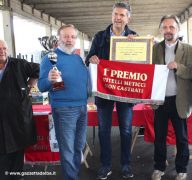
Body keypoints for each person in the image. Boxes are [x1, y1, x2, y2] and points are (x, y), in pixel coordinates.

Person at [85, 2, 137, 180]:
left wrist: (137, 46)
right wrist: (91, 58)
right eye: (115, 14)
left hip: (125, 91)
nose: (118, 17)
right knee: (104, 130)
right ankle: (105, 165)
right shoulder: (99, 37)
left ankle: (126, 165)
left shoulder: (134, 36)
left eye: (122, 15)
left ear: (128, 18)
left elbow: (142, 64)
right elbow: (88, 58)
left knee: (126, 130)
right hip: (104, 90)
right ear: (111, 15)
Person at [38, 24, 89, 180]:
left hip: (82, 107)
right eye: (66, 36)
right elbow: (41, 86)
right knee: (67, 149)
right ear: (59, 38)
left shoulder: (78, 58)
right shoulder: (50, 58)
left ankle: (73, 175)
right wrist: (48, 79)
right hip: (64, 108)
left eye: (73, 37)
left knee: (78, 147)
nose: (70, 40)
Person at [151, 15, 192, 180]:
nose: (168, 30)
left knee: (181, 138)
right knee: (159, 138)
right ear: (161, 29)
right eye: (165, 27)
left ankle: (182, 169)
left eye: (171, 27)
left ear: (178, 29)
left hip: (179, 99)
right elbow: (145, 69)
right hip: (160, 100)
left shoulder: (189, 49)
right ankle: (159, 167)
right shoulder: (154, 49)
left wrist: (179, 67)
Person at [0, 39, 39, 180]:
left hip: (18, 117)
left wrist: (30, 84)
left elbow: (38, 69)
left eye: (4, 48)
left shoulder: (18, 64)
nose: (2, 51)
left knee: (17, 151)